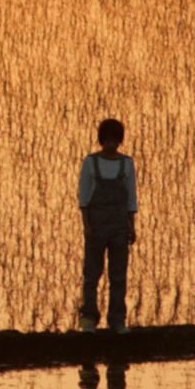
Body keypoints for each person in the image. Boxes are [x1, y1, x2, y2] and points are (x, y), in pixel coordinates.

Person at [77, 118, 137, 334]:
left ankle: (117, 320)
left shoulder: (127, 163)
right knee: (92, 273)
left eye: (115, 140)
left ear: (119, 141)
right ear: (101, 140)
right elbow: (83, 197)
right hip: (96, 225)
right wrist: (86, 225)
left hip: (119, 225)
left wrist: (132, 225)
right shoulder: (90, 163)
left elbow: (131, 197)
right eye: (107, 140)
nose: (111, 144)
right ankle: (88, 319)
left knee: (118, 275)